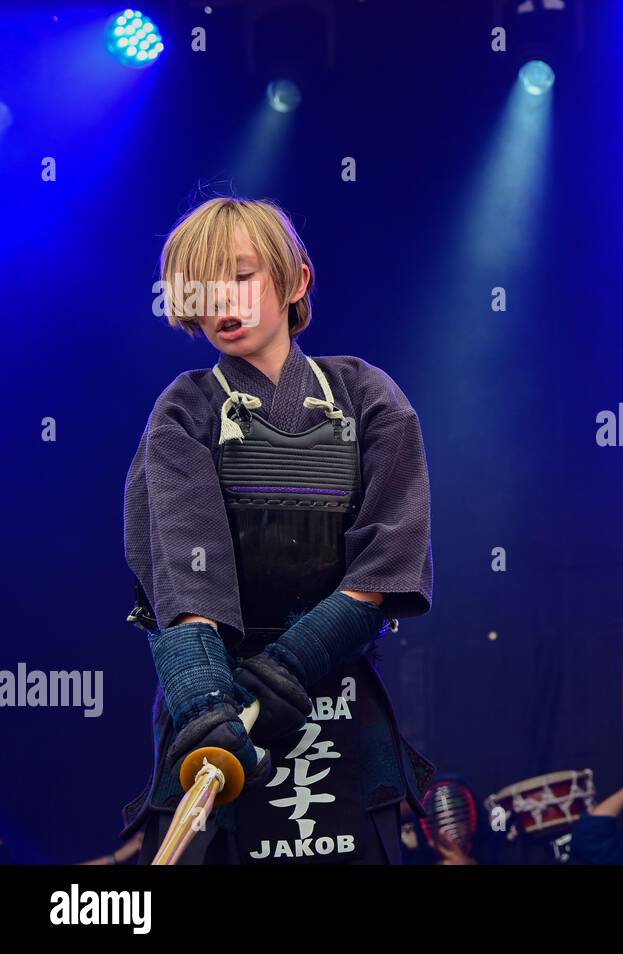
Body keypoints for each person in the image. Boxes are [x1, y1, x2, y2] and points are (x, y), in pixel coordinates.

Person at [120, 196, 436, 864]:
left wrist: (292, 664)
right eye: (201, 286)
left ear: (294, 281)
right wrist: (204, 703)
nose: (222, 302)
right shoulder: (184, 411)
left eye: (240, 276)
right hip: (222, 713)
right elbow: (186, 582)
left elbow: (383, 569)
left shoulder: (370, 398)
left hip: (337, 698)